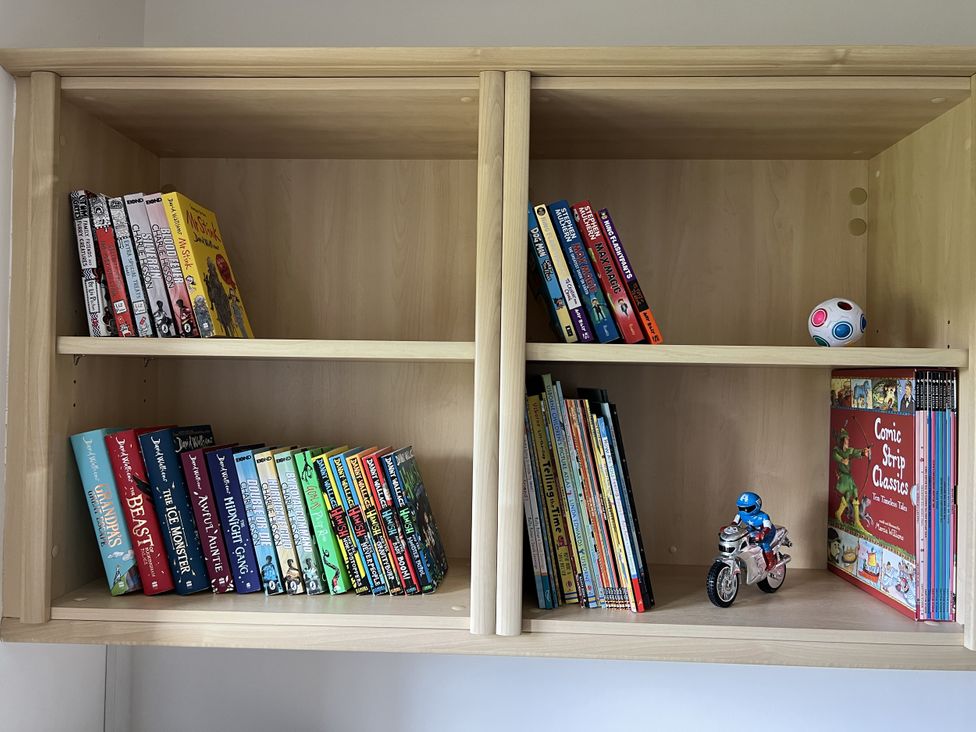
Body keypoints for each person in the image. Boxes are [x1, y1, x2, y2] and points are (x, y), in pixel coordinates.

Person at [731, 491, 776, 570]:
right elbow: (735, 523)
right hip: (752, 529)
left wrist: (763, 533)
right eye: (741, 508)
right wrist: (730, 529)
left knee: (765, 544)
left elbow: (767, 527)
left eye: (747, 508)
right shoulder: (740, 514)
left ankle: (771, 562)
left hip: (768, 532)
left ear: (757, 505)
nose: (743, 510)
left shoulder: (764, 516)